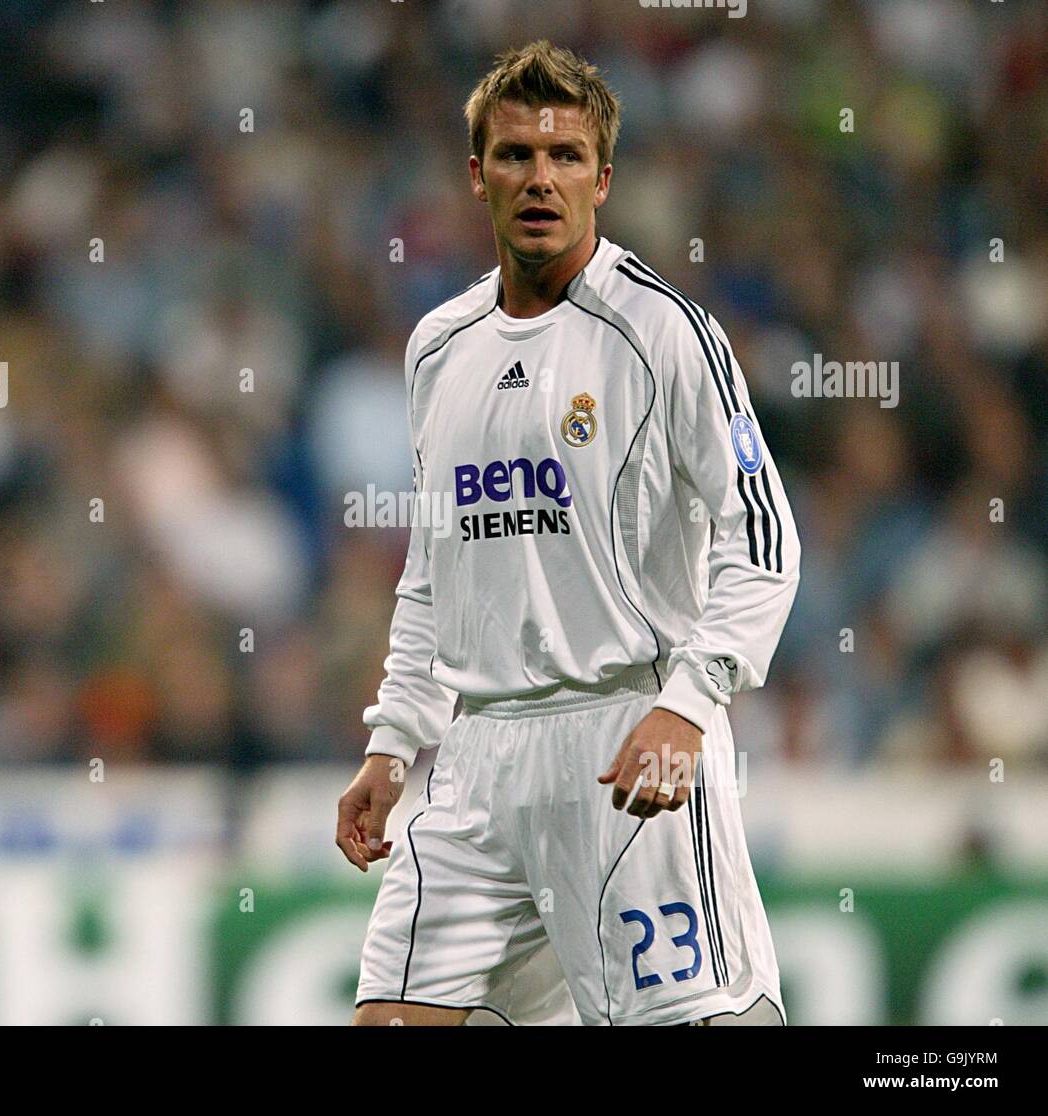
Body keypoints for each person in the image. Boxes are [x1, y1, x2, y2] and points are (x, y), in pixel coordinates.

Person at [336, 40, 799, 1027]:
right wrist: (392, 742)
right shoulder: (438, 350)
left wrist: (689, 703)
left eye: (565, 157)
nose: (539, 178)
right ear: (477, 176)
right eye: (513, 156)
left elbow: (760, 535)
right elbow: (433, 572)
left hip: (627, 737)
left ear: (603, 177)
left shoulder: (664, 331)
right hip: (477, 760)